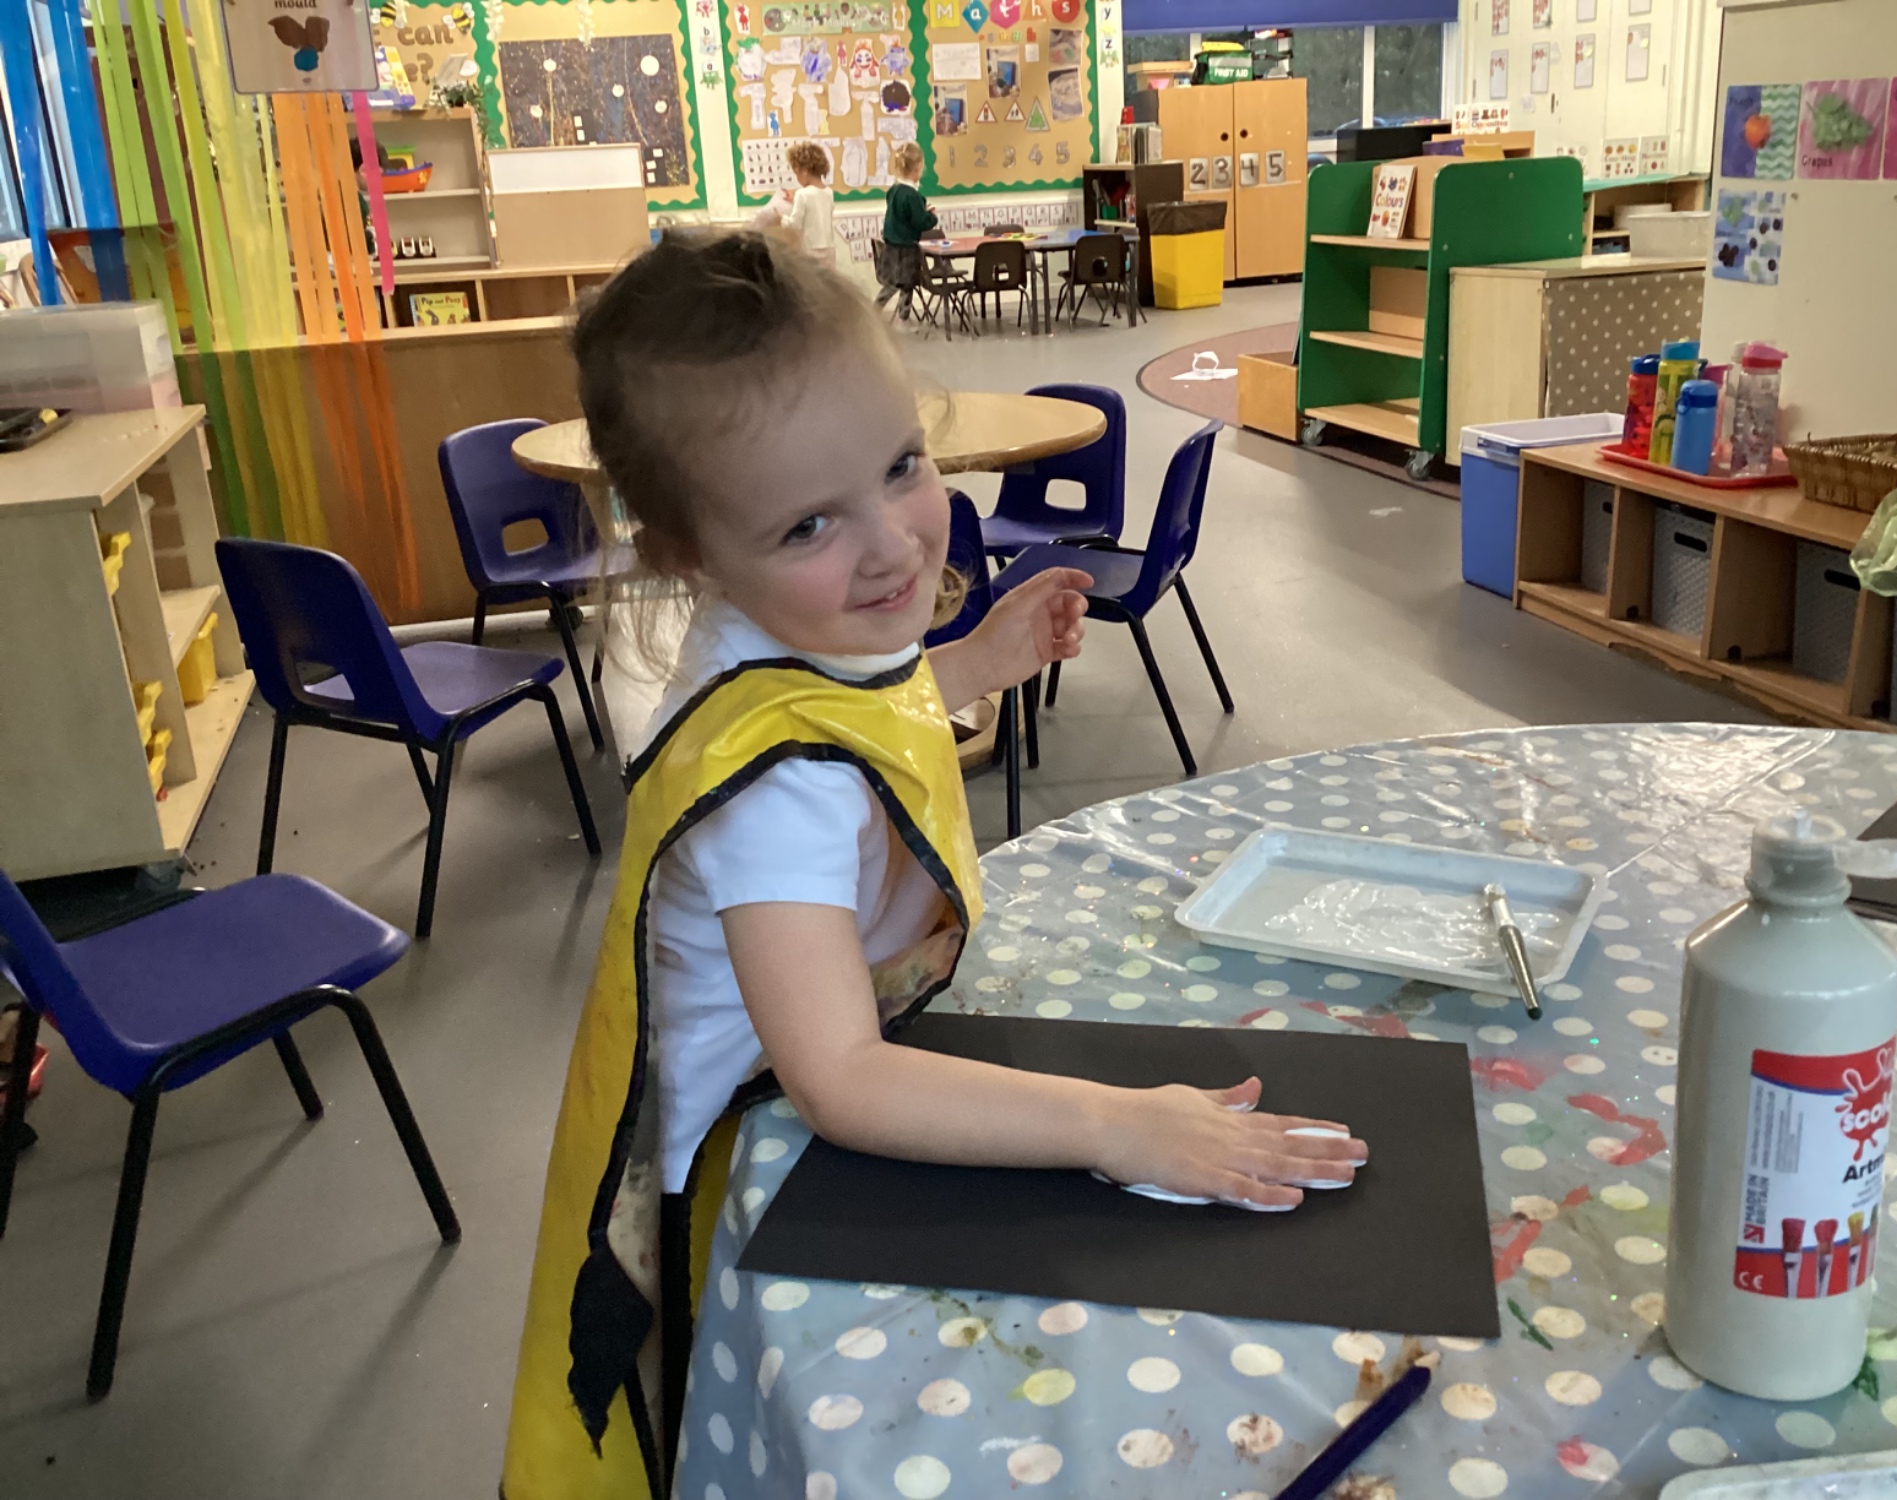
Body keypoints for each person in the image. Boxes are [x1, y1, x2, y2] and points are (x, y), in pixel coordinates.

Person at [500, 230, 1367, 1499]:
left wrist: (971, 665)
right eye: (809, 522)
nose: (892, 545)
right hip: (730, 1177)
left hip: (788, 1088)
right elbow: (844, 1079)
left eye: (900, 466)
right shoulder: (773, 793)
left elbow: (852, 712)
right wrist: (1113, 1124)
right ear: (686, 551)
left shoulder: (772, 624)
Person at [875, 140, 936, 317]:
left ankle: (877, 312)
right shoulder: (912, 195)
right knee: (907, 284)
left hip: (891, 247)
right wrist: (932, 216)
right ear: (918, 168)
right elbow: (920, 222)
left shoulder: (894, 190)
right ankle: (903, 316)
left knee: (891, 284)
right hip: (906, 249)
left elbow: (902, 215)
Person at [780, 141, 837, 267]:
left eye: (797, 174)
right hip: (829, 250)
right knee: (828, 279)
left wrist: (781, 218)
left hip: (810, 251)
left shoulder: (802, 194)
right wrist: (795, 199)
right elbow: (816, 204)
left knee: (810, 279)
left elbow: (794, 225)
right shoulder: (829, 192)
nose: (797, 179)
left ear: (804, 171)